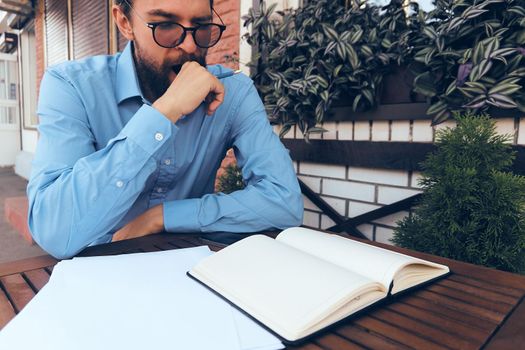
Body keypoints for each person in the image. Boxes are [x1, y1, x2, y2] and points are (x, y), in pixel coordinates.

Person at [27, 0, 303, 259]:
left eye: (202, 27)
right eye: (165, 26)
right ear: (124, 22)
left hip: (187, 267)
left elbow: (283, 203)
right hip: (94, 270)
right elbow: (53, 230)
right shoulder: (71, 85)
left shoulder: (234, 91)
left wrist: (162, 217)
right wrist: (164, 112)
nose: (190, 45)